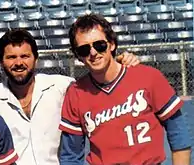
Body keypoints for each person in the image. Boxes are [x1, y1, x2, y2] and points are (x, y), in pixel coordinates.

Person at [0, 29, 140, 165]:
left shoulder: (61, 86)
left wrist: (121, 61)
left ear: (35, 58)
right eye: (11, 57)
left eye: (25, 56)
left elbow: (98, 82)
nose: (19, 62)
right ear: (2, 62)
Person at [58, 13, 191, 165]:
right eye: (84, 50)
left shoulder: (148, 77)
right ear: (78, 56)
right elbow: (70, 156)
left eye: (99, 45)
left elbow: (178, 133)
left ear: (112, 44)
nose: (93, 53)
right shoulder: (76, 93)